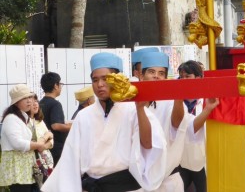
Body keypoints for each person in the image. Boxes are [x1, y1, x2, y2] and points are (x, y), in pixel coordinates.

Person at [41, 52, 167, 191]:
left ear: (117, 79)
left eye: (105, 79)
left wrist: (140, 110)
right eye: (95, 80)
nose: (100, 84)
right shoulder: (83, 116)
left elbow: (149, 145)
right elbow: (70, 159)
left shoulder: (133, 110)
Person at [139, 51, 186, 192]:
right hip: (138, 183)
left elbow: (176, 124)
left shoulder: (172, 101)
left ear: (166, 78)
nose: (156, 76)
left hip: (168, 182)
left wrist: (178, 95)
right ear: (141, 76)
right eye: (151, 72)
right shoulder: (132, 104)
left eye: (161, 73)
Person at [177, 60, 220, 192]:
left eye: (187, 76)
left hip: (202, 160)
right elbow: (190, 128)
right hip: (180, 159)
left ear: (199, 78)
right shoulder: (176, 102)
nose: (184, 80)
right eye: (181, 77)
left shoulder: (208, 99)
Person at [0, 85, 52, 192]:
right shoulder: (11, 118)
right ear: (16, 102)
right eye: (24, 98)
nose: (29, 101)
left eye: (30, 97)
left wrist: (40, 143)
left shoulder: (23, 118)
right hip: (17, 171)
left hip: (25, 170)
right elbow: (17, 143)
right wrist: (39, 144)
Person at [39, 72, 71, 165]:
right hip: (56, 148)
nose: (61, 87)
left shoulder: (40, 103)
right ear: (55, 86)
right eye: (60, 84)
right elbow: (56, 125)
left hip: (44, 147)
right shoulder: (55, 104)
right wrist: (72, 126)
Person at [29, 94, 54, 181]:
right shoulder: (26, 123)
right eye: (32, 102)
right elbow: (38, 144)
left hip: (47, 162)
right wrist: (47, 135)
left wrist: (45, 145)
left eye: (36, 101)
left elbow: (51, 140)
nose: (35, 104)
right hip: (35, 165)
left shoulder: (40, 121)